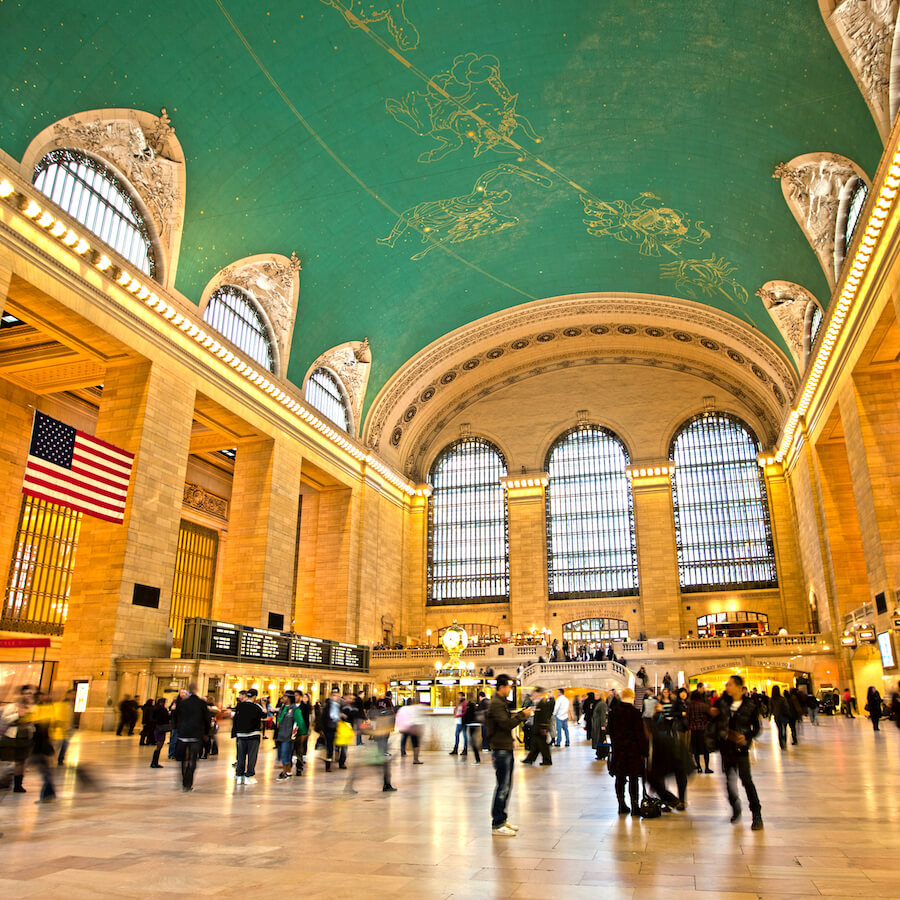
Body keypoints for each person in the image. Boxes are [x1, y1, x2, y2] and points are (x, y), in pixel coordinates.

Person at [712, 675, 763, 830]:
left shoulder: (750, 705)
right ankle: (735, 807)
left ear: (739, 687)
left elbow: (757, 729)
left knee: (747, 781)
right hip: (726, 749)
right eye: (727, 685)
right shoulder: (722, 703)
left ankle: (756, 814)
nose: (727, 687)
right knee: (729, 782)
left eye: (730, 685)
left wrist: (746, 737)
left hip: (741, 750)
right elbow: (715, 723)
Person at [486, 674, 532, 836]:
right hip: (500, 749)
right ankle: (497, 823)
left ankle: (502, 819)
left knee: (506, 786)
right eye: (508, 686)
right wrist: (522, 716)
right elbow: (505, 724)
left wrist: (519, 714)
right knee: (502, 786)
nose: (510, 689)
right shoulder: (497, 704)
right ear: (501, 687)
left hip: (504, 748)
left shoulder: (501, 704)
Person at [607, 687, 646, 817]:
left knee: (620, 777)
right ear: (632, 697)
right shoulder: (635, 713)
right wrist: (644, 750)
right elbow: (639, 734)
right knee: (633, 778)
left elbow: (610, 731)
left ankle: (621, 804)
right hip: (632, 750)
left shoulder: (613, 712)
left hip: (618, 750)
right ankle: (635, 805)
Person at [0, 684, 36, 793]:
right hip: (11, 736)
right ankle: (3, 781)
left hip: (25, 737)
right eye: (26, 693)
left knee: (21, 762)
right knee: (4, 760)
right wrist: (18, 715)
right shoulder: (12, 707)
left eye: (30, 693)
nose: (28, 696)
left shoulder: (33, 708)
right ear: (22, 694)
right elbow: (5, 719)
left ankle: (18, 785)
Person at [173, 683, 209, 792]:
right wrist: (206, 733)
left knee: (184, 759)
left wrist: (178, 730)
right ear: (197, 689)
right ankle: (189, 782)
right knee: (193, 758)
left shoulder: (182, 703)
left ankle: (184, 779)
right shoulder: (201, 703)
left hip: (183, 734)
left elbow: (175, 717)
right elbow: (206, 719)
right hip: (196, 734)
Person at [232, 688, 264, 785]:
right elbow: (264, 716)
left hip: (241, 735)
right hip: (253, 734)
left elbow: (235, 719)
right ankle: (249, 776)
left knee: (241, 756)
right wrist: (264, 705)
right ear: (255, 697)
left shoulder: (240, 706)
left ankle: (239, 775)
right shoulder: (257, 707)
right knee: (252, 756)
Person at [523, 687, 553, 766]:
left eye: (535, 693)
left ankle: (547, 760)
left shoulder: (543, 703)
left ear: (539, 693)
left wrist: (544, 728)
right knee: (536, 745)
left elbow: (544, 716)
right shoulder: (539, 702)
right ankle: (530, 759)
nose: (534, 695)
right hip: (538, 727)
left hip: (540, 728)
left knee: (542, 745)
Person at [688, 685, 713, 773]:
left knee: (696, 750)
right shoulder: (704, 706)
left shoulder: (689, 706)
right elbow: (710, 717)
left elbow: (688, 718)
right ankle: (706, 767)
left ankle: (699, 767)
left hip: (694, 730)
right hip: (703, 729)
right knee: (706, 750)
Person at [395, 698, 424, 764]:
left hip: (404, 728)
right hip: (412, 727)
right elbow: (416, 718)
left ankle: (403, 752)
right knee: (415, 743)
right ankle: (415, 759)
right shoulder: (413, 708)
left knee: (404, 740)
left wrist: (399, 726)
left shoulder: (402, 709)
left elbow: (398, 717)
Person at [462, 693, 483, 764]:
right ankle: (477, 759)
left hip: (471, 725)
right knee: (473, 741)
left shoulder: (469, 706)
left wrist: (464, 722)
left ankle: (477, 759)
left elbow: (467, 715)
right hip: (475, 724)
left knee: (472, 742)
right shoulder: (475, 705)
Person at [149, 698, 170, 768]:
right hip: (161, 729)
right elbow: (166, 719)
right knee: (159, 745)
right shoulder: (162, 710)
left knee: (159, 745)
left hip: (157, 728)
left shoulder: (155, 709)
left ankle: (154, 762)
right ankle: (154, 762)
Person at [770, 686, 789, 750]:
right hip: (783, 715)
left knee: (780, 730)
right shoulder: (782, 699)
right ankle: (784, 742)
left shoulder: (771, 699)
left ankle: (781, 744)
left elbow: (770, 708)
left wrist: (770, 715)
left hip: (776, 716)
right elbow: (786, 707)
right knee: (784, 729)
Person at [449, 692, 468, 756]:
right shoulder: (458, 703)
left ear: (462, 696)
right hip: (458, 722)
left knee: (464, 735)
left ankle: (465, 749)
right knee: (457, 735)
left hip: (463, 721)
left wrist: (458, 715)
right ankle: (455, 749)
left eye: (459, 696)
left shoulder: (465, 703)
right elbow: (455, 710)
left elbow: (465, 712)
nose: (458, 697)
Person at [591, 691, 609, 760]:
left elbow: (603, 715)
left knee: (600, 739)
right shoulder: (597, 703)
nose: (596, 696)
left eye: (597, 695)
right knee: (598, 739)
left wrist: (603, 725)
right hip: (596, 724)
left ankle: (602, 753)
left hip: (599, 724)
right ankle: (599, 753)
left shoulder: (602, 704)